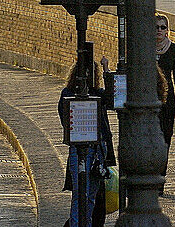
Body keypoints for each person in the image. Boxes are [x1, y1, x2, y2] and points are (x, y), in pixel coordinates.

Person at [58, 57, 116, 227]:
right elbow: (66, 120)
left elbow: (113, 97)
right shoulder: (68, 94)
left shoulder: (97, 93)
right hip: (82, 148)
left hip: (98, 149)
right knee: (81, 196)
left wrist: (107, 70)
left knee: (89, 196)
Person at [155, 14, 175, 182]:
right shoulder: (144, 49)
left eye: (163, 27)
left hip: (167, 100)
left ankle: (161, 175)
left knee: (166, 137)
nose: (159, 30)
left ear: (167, 30)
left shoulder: (173, 49)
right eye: (156, 27)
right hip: (149, 99)